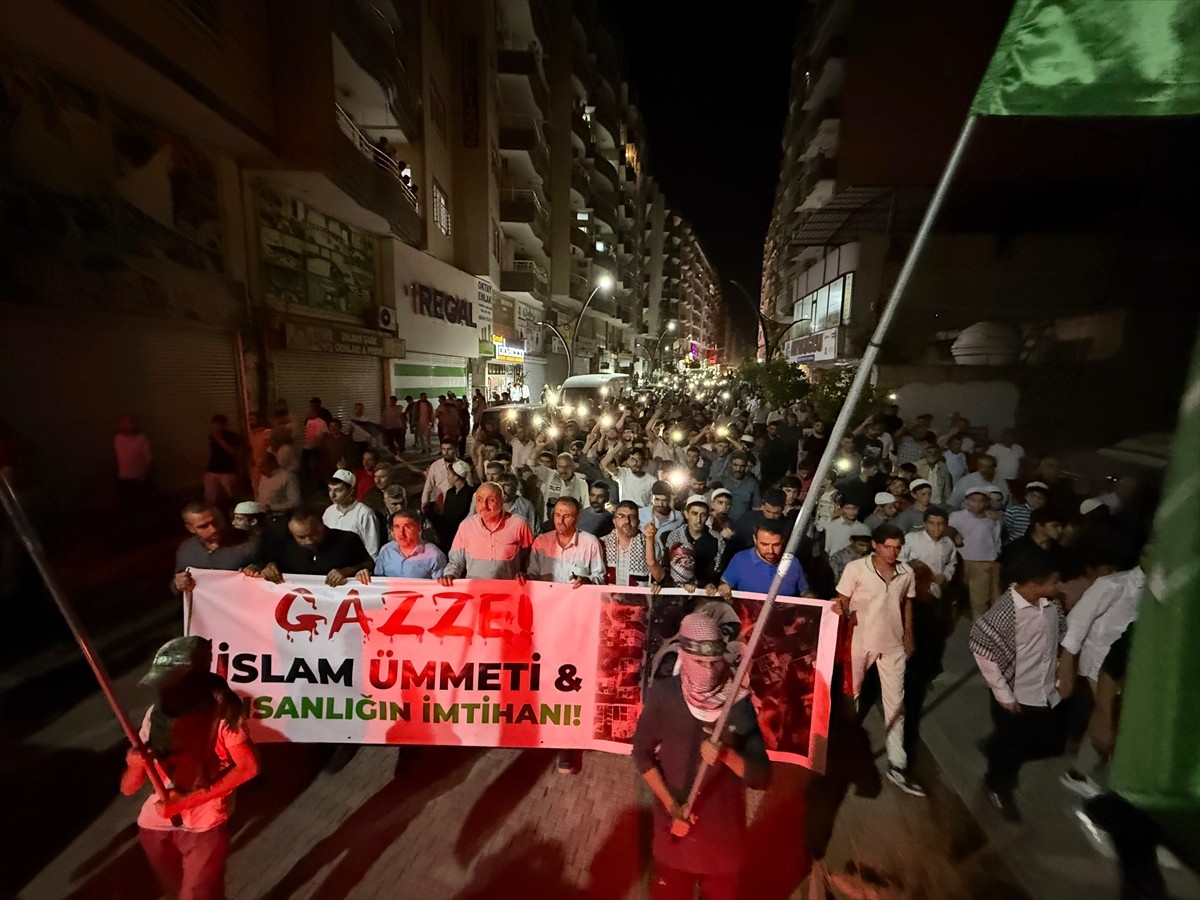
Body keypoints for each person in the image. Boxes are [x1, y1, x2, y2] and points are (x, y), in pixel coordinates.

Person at [632, 611, 771, 900]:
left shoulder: (738, 703)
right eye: (699, 662)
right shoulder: (665, 695)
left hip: (722, 841)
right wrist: (672, 807)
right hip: (674, 834)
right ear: (683, 654)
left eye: (713, 662)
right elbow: (642, 754)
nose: (708, 670)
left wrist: (727, 755)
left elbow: (761, 777)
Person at [120, 636, 258, 900]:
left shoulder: (223, 715)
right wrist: (134, 765)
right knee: (184, 889)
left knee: (195, 894)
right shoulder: (155, 715)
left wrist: (183, 802)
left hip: (204, 825)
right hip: (155, 825)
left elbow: (248, 767)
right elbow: (128, 789)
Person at [969, 554, 1068, 822]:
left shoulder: (1051, 606)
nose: (1059, 586)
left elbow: (1059, 634)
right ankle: (997, 785)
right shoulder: (1004, 614)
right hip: (1016, 694)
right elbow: (984, 651)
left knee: (1049, 742)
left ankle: (995, 750)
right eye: (1054, 581)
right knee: (1012, 744)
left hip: (1044, 690)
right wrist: (1003, 695)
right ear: (1035, 584)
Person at [832, 523, 924, 797]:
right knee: (852, 696)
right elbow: (842, 601)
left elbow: (907, 603)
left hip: (893, 646)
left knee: (896, 703)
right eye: (888, 546)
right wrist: (840, 610)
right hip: (860, 643)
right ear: (875, 544)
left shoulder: (907, 572)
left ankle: (898, 763)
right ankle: (841, 753)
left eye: (898, 547)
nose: (893, 552)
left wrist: (909, 637)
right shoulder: (855, 569)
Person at [1057, 560, 1145, 796]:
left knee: (1111, 720)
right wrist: (1066, 664)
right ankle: (1080, 773)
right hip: (1100, 663)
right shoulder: (1112, 585)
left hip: (1128, 667)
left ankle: (1087, 770)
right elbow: (1077, 622)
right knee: (1107, 718)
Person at [898, 507, 958, 765]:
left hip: (934, 596)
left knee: (931, 636)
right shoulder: (911, 540)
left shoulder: (948, 544)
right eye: (931, 523)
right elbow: (899, 560)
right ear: (924, 524)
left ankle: (925, 669)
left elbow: (952, 563)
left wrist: (946, 576)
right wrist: (914, 568)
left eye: (940, 524)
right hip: (913, 595)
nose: (936, 528)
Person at [438, 482, 533, 584]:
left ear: (502, 501)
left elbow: (529, 559)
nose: (484, 505)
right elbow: (456, 561)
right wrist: (449, 575)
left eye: (491, 500)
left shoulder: (519, 524)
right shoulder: (466, 526)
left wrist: (524, 574)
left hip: (508, 593)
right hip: (475, 592)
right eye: (479, 500)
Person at [249, 510, 373, 587]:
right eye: (301, 537)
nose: (309, 541)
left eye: (313, 534)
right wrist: (266, 568)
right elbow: (261, 565)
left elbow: (370, 564)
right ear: (292, 533)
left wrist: (348, 571)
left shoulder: (347, 539)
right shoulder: (283, 545)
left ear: (322, 525)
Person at [172, 503, 259, 595]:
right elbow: (177, 583)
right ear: (190, 528)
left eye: (215, 522)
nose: (214, 529)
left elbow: (265, 569)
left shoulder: (246, 543)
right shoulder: (187, 549)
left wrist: (256, 570)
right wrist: (177, 584)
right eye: (204, 526)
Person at [950, 487, 1003, 618]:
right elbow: (948, 535)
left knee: (980, 602)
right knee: (955, 599)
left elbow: (996, 539)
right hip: (961, 561)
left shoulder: (992, 519)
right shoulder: (957, 517)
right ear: (967, 501)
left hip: (984, 562)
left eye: (981, 501)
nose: (977, 504)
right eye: (973, 500)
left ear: (986, 503)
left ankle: (980, 634)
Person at [718, 523, 810, 598]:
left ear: (783, 541)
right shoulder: (740, 560)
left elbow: (805, 592)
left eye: (776, 544)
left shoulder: (793, 563)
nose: (771, 550)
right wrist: (723, 587)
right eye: (764, 544)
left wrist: (812, 598)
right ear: (755, 539)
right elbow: (725, 585)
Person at [659, 495, 726, 594]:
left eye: (702, 515)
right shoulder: (675, 536)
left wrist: (710, 584)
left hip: (703, 592)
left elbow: (717, 570)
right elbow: (666, 566)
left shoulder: (717, 539)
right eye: (694, 514)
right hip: (677, 591)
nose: (698, 520)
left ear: (708, 516)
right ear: (686, 514)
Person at [601, 501, 665, 588]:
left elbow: (660, 578)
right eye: (621, 516)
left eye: (632, 517)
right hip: (608, 599)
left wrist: (655, 584)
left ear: (638, 522)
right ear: (614, 521)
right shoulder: (602, 543)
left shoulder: (650, 544)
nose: (627, 521)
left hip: (639, 600)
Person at [999, 506, 1065, 587]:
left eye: (1061, 526)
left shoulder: (1059, 551)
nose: (1060, 530)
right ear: (1039, 526)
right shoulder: (1016, 548)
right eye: (1055, 526)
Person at [323, 469, 382, 559]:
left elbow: (372, 551)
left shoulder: (365, 514)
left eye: (338, 490)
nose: (332, 495)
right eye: (330, 490)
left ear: (350, 491)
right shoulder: (328, 512)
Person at [374, 510, 447, 579]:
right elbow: (377, 581)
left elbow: (440, 587)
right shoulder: (386, 551)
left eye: (407, 527)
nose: (401, 532)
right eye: (397, 527)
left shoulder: (434, 555)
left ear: (419, 528)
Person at [115, 415, 153, 538]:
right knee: (127, 506)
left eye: (128, 423)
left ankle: (143, 531)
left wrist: (144, 474)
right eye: (123, 423)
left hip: (138, 478)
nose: (126, 426)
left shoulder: (141, 439)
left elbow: (148, 458)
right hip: (124, 478)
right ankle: (130, 532)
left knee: (140, 506)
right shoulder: (118, 438)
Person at [204, 414, 242, 507]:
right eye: (215, 425)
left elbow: (234, 452)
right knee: (211, 497)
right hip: (213, 471)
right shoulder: (211, 436)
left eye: (219, 425)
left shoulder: (232, 436)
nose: (217, 428)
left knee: (231, 496)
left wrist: (220, 440)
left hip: (228, 471)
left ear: (225, 425)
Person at [254, 453, 300, 524]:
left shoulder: (287, 477)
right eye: (258, 466)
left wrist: (272, 507)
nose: (259, 469)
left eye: (262, 466)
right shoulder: (263, 476)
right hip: (263, 517)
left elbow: (295, 502)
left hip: (281, 518)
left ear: (272, 464)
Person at [420, 437, 463, 512]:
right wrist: (424, 503)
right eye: (443, 449)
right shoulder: (435, 465)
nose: (446, 452)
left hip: (457, 504)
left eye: (449, 449)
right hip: (439, 504)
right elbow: (428, 486)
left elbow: (468, 488)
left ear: (455, 449)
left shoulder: (463, 466)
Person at [720, 452, 761, 523]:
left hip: (743, 524)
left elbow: (756, 508)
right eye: (735, 465)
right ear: (730, 464)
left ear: (745, 467)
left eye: (742, 466)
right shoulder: (721, 480)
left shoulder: (752, 483)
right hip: (721, 523)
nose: (738, 469)